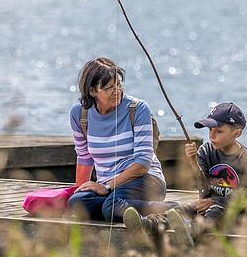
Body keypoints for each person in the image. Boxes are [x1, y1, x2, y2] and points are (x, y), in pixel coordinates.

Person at [124, 102, 247, 248]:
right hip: (208, 207)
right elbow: (202, 187)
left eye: (219, 131)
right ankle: (149, 224)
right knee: (183, 209)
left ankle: (191, 233)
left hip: (237, 212)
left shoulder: (246, 159)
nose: (212, 135)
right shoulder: (206, 151)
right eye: (210, 130)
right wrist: (193, 162)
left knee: (214, 212)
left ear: (237, 133)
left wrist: (215, 202)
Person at [68, 57, 173, 222]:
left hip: (144, 179)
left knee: (112, 206)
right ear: (92, 91)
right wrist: (79, 190)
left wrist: (107, 186)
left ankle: (179, 210)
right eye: (109, 88)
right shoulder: (80, 115)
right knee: (77, 203)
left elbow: (143, 163)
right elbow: (84, 157)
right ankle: (137, 210)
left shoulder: (138, 109)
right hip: (108, 188)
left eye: (118, 84)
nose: (117, 91)